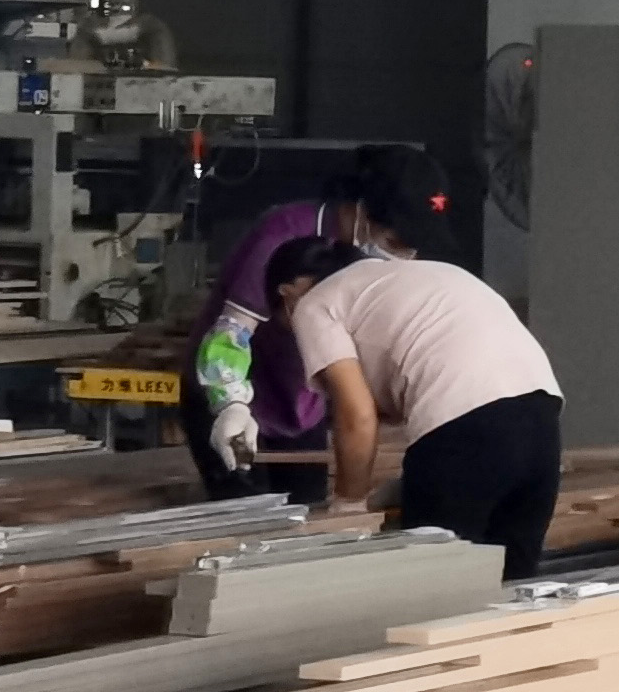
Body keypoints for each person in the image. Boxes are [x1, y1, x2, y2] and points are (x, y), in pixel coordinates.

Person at [261, 236, 567, 580]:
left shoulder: (314, 304)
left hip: (465, 426)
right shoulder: (415, 275)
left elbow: (357, 415)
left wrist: (348, 504)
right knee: (512, 586)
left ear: (287, 294)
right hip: (542, 417)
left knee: (434, 587)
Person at [188, 155, 419, 501]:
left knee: (307, 509)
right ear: (363, 212)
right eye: (396, 242)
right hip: (238, 399)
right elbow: (230, 334)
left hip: (302, 403)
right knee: (245, 515)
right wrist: (231, 404)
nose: (405, 256)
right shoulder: (280, 236)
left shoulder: (371, 259)